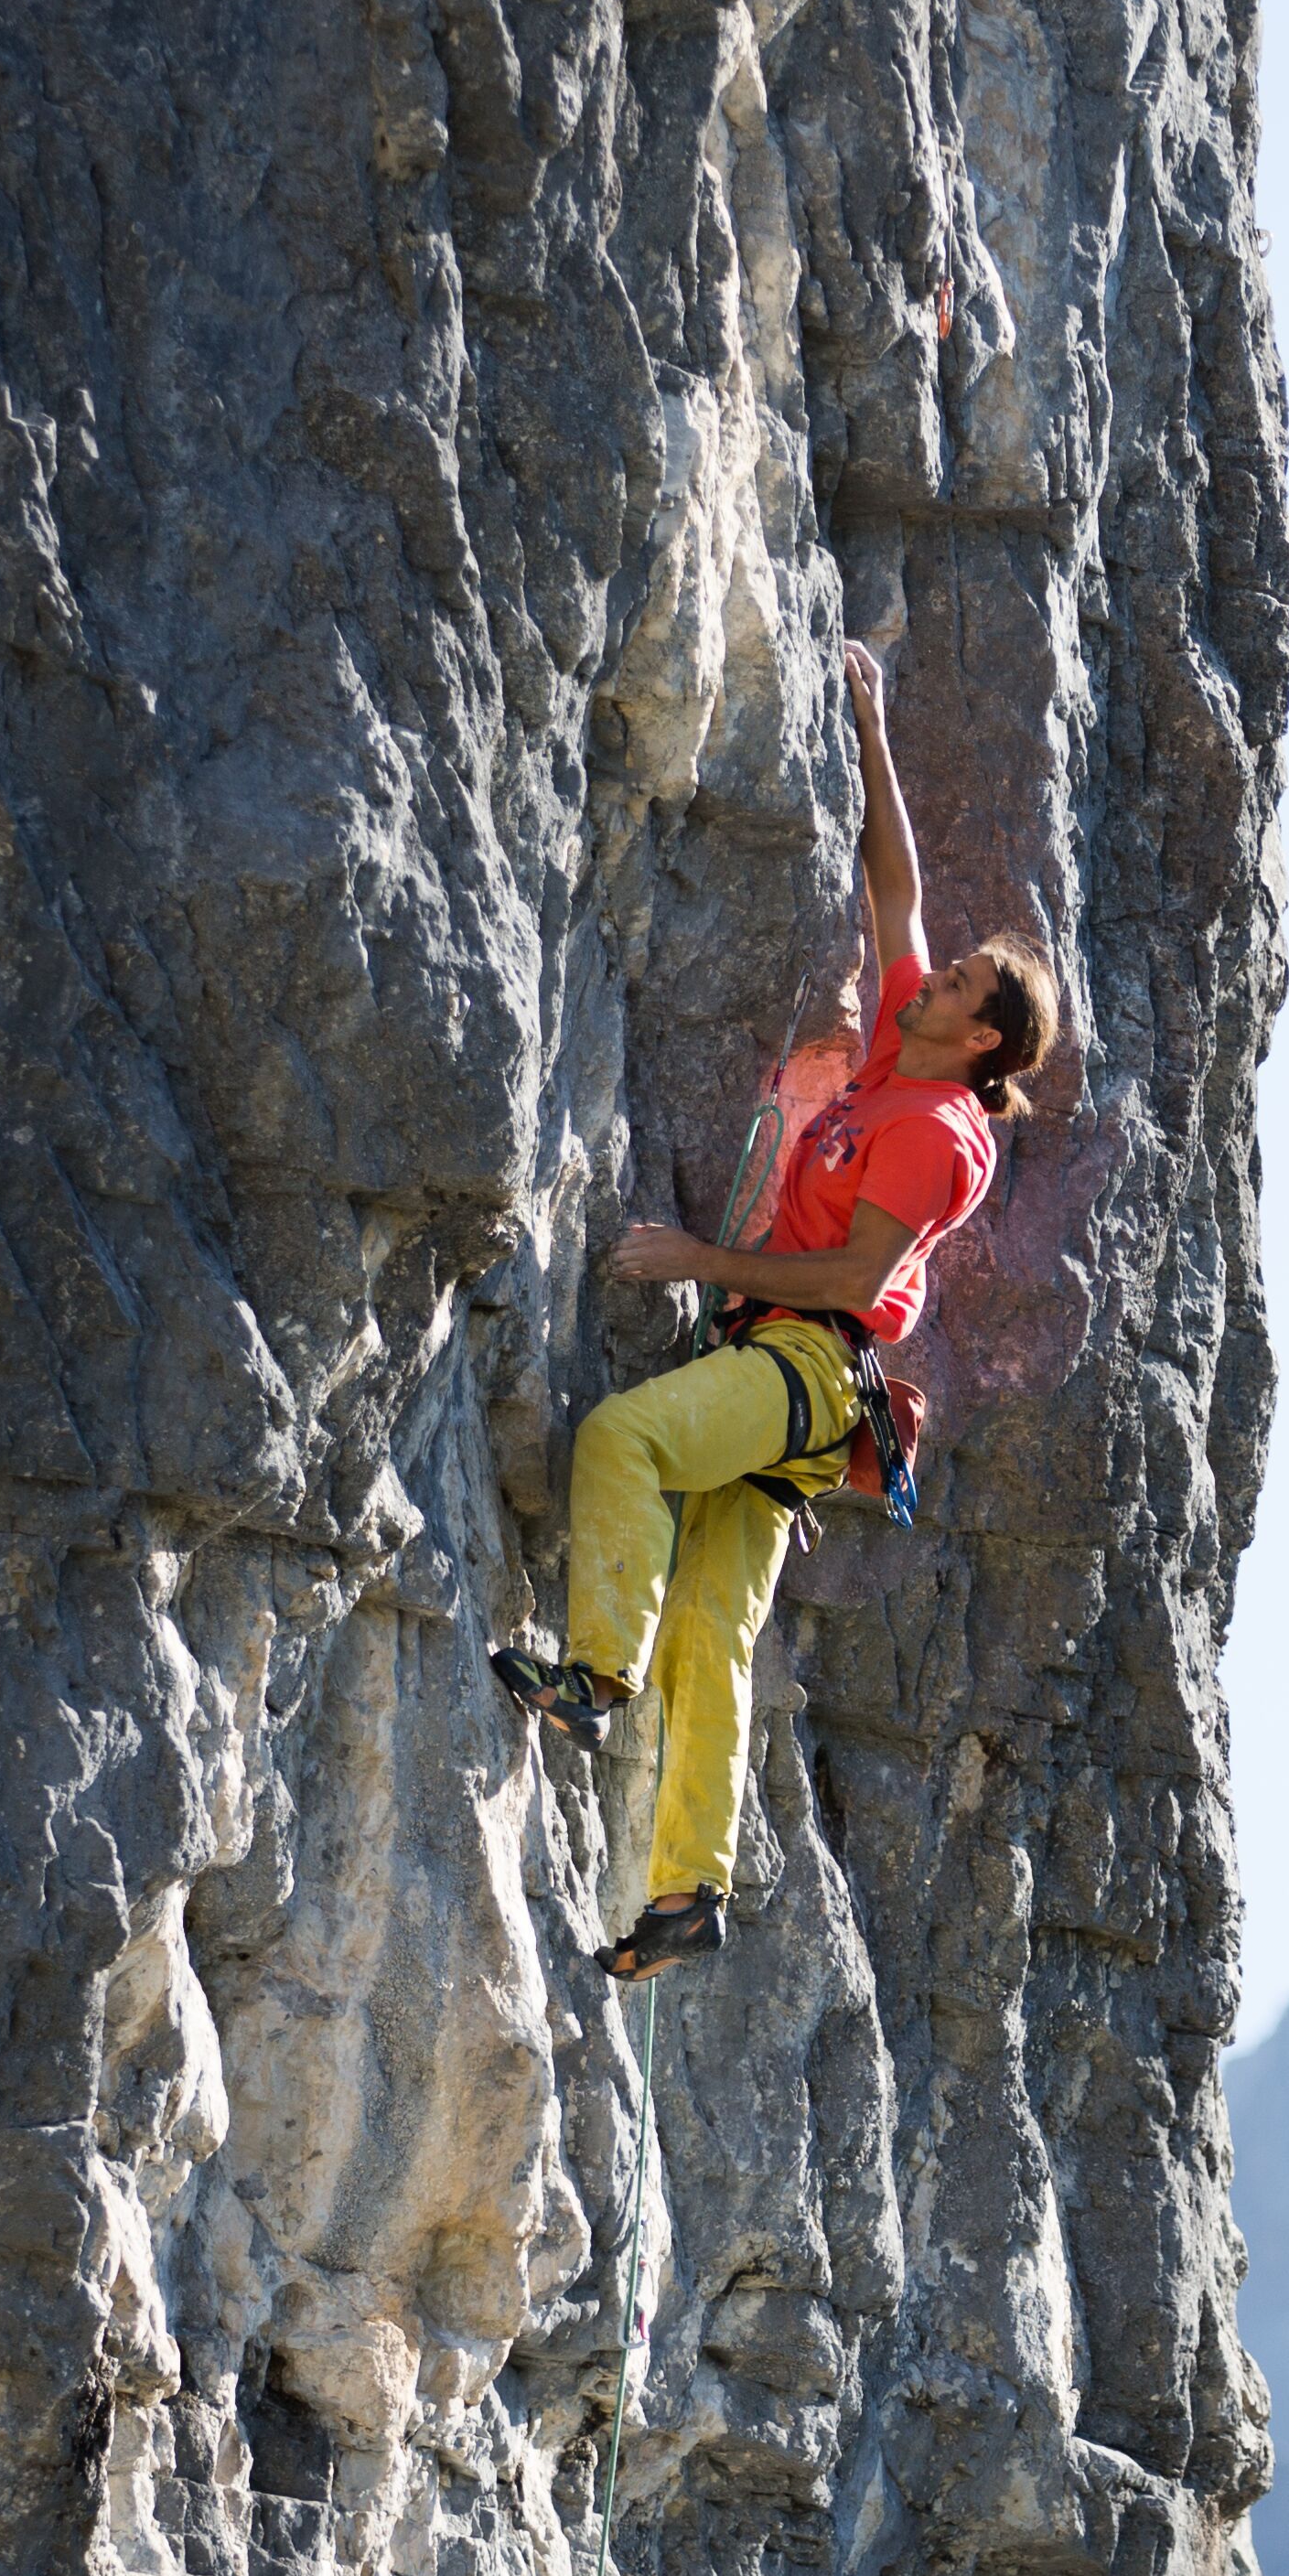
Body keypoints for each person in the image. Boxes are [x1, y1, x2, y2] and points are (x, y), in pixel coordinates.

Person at [493, 638, 1054, 1980]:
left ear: (981, 1040)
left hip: (807, 1362)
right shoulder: (895, 1051)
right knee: (713, 1630)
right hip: (797, 1382)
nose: (939, 974)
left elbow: (857, 1286)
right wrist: (868, 720)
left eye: (967, 983)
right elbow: (894, 891)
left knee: (627, 1440)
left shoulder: (938, 1131)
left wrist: (692, 1256)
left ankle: (592, 1675)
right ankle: (689, 1889)